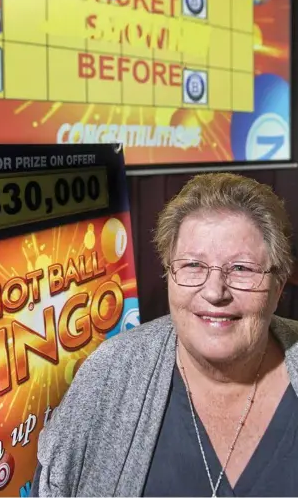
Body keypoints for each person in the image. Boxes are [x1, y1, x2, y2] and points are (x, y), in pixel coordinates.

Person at [31, 172, 298, 497]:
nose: (214, 292)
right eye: (193, 266)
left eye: (241, 268)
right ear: (168, 274)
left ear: (279, 286)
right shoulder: (108, 375)